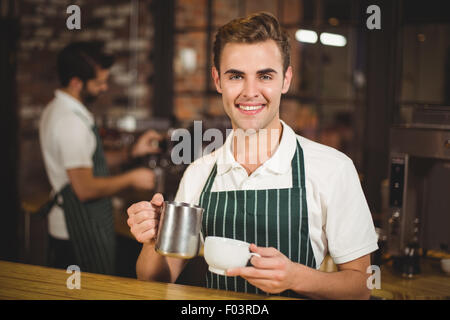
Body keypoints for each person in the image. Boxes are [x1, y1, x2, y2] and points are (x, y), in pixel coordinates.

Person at [126, 12, 378, 299]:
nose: (250, 92)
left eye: (265, 76)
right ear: (218, 80)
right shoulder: (200, 172)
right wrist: (151, 240)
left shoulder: (333, 168)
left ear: (286, 80)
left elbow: (361, 287)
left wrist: (296, 277)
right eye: (236, 76)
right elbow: (157, 280)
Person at [39, 41, 160, 275]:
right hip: (76, 232)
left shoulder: (59, 110)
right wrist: (132, 179)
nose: (104, 88)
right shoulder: (70, 122)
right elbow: (84, 188)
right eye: (99, 83)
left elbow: (89, 160)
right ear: (76, 83)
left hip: (76, 226)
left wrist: (131, 153)